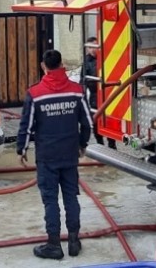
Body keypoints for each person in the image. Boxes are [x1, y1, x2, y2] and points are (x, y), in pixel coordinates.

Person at [17, 49, 92, 260]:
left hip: (47, 157)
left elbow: (27, 125)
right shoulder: (77, 91)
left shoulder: (35, 93)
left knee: (50, 200)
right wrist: (82, 144)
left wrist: (21, 150)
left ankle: (53, 245)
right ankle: (74, 241)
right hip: (69, 155)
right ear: (61, 65)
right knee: (71, 197)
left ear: (44, 66)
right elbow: (87, 123)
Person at [83, 37, 116, 149]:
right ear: (87, 49)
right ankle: (100, 144)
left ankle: (112, 145)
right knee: (96, 120)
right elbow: (83, 80)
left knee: (109, 119)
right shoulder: (86, 62)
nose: (92, 50)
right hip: (94, 95)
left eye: (94, 46)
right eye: (90, 47)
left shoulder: (106, 59)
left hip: (107, 93)